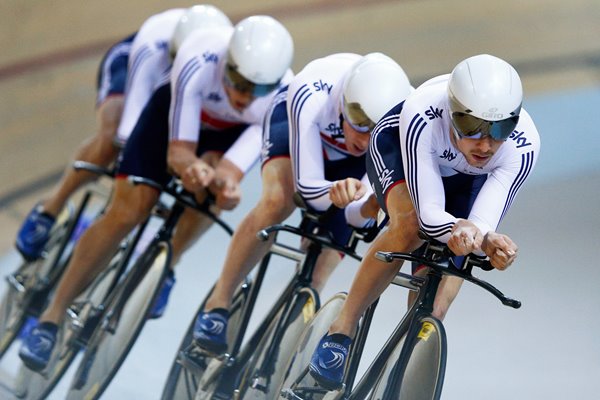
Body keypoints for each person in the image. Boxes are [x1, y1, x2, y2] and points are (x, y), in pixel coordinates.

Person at [18, 13, 293, 372]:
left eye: (257, 89)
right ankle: (51, 318)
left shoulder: (281, 95)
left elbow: (231, 171)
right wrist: (187, 166)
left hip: (224, 136)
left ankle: (167, 265)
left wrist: (224, 185)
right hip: (171, 118)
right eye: (238, 82)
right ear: (226, 62)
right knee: (127, 211)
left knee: (211, 196)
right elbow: (177, 150)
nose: (243, 96)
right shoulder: (199, 57)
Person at [308, 54, 541, 390]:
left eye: (500, 129)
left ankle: (398, 375)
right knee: (408, 226)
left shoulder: (524, 146)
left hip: (465, 181)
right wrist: (463, 232)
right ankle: (341, 331)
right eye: (472, 127)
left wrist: (486, 241)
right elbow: (430, 216)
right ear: (452, 112)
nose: (486, 144)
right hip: (402, 150)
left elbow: (479, 224)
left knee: (439, 300)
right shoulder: (423, 113)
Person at [193, 52, 414, 355]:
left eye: (374, 131)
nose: (364, 140)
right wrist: (333, 192)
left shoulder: (402, 126)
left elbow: (360, 217)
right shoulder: (312, 92)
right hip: (298, 131)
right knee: (278, 201)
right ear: (343, 102)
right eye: (359, 124)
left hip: (352, 165)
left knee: (321, 266)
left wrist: (362, 203)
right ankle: (217, 304)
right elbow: (308, 189)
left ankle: (292, 324)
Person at [14, 33, 135, 261]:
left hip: (183, 93)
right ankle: (51, 208)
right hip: (134, 63)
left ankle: (167, 266)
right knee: (112, 137)